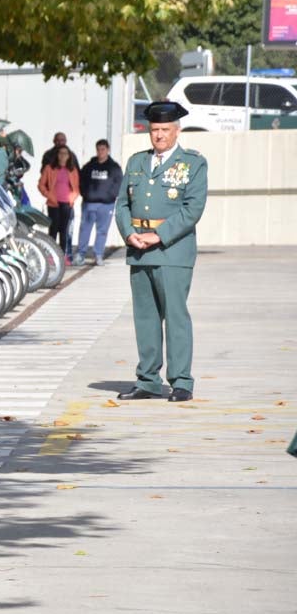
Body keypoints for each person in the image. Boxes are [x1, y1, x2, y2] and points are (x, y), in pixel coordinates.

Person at [114, 101, 207, 403]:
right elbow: (122, 204)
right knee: (145, 317)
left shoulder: (192, 164)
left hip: (172, 251)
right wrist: (129, 233)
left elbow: (192, 209)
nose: (159, 136)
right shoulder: (136, 162)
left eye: (165, 130)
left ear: (177, 131)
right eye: (155, 130)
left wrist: (159, 235)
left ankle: (181, 381)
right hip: (139, 249)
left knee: (175, 315)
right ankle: (148, 380)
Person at [76, 139, 123, 266]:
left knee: (102, 231)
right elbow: (81, 180)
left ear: (108, 150)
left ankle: (98, 255)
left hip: (106, 204)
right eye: (98, 149)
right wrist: (85, 194)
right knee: (85, 229)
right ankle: (81, 254)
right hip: (89, 203)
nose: (100, 152)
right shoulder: (89, 166)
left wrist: (111, 196)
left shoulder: (114, 167)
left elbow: (119, 184)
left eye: (103, 149)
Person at [38, 144, 80, 262]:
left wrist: (72, 199)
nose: (62, 156)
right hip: (53, 203)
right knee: (53, 229)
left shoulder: (72, 170)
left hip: (66, 203)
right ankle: (50, 255)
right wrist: (49, 195)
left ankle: (62, 256)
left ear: (69, 156)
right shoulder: (49, 168)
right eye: (60, 153)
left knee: (64, 230)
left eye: (65, 154)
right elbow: (41, 184)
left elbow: (76, 188)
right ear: (57, 155)